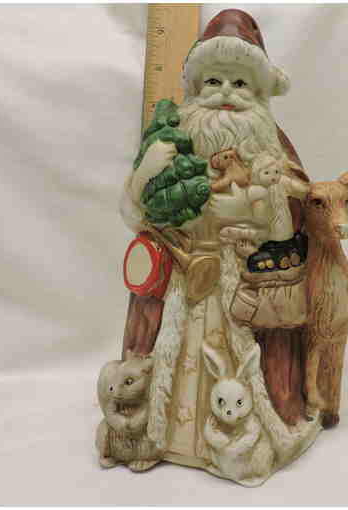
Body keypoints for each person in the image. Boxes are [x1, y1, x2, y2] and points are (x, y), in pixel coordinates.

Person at [119, 9, 318, 469]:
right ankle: (160, 433)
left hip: (242, 280)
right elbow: (135, 215)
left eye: (241, 83)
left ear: (260, 92)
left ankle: (242, 434)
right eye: (213, 81)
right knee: (173, 350)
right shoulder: (172, 142)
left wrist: (263, 200)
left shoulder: (271, 150)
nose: (226, 93)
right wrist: (146, 172)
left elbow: (287, 226)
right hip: (182, 275)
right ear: (194, 87)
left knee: (238, 359)